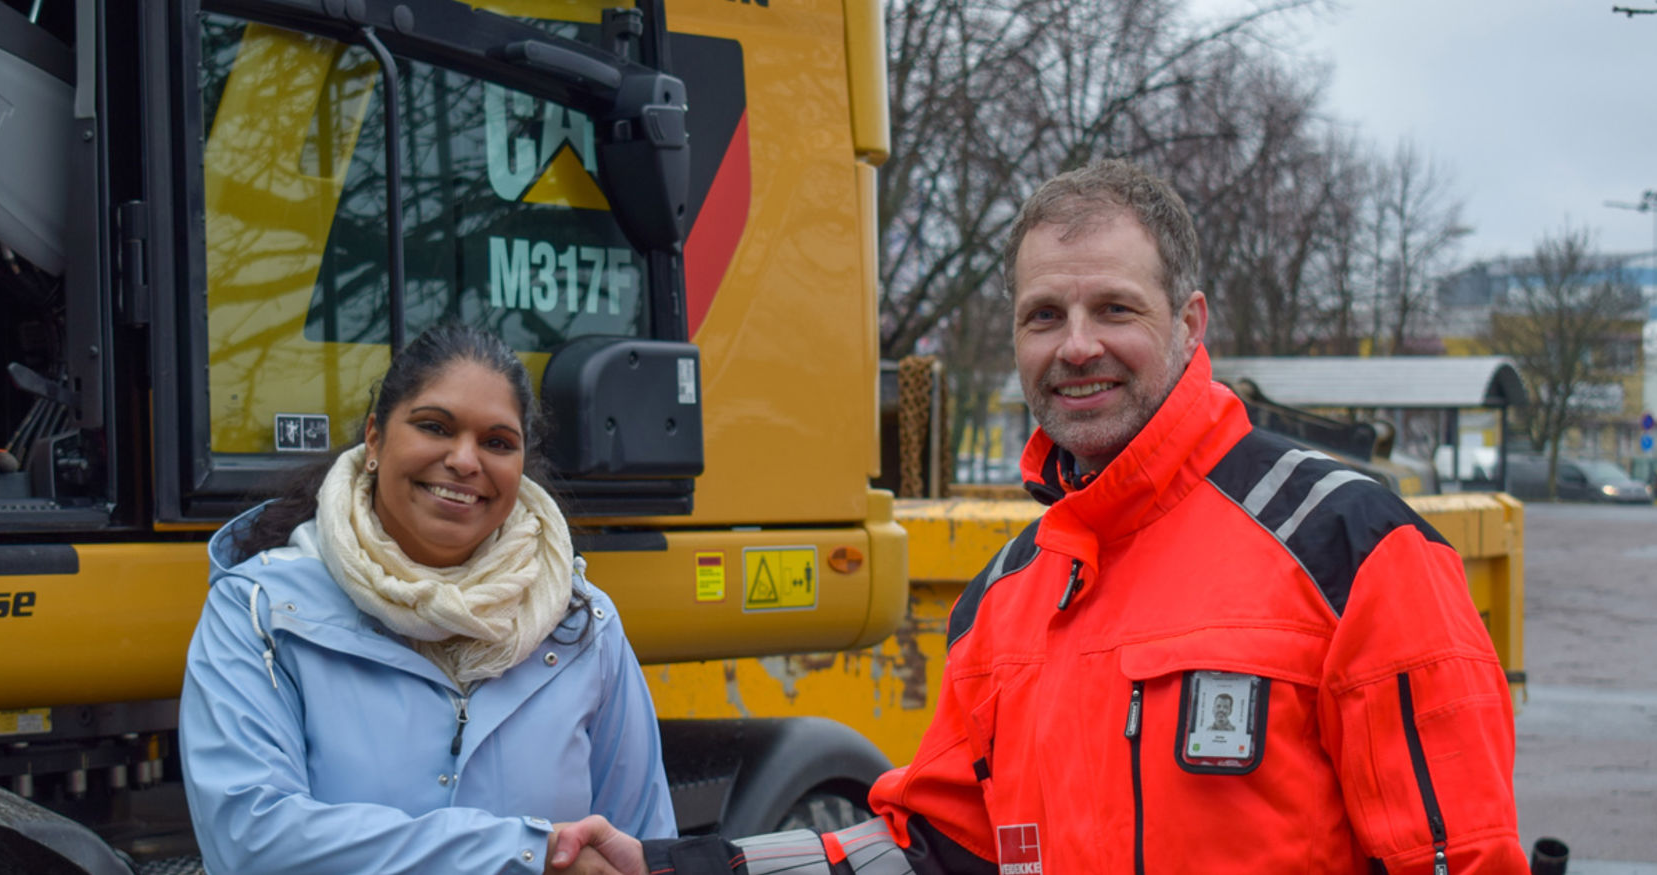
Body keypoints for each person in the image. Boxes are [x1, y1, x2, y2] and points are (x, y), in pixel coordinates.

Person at [552, 159, 1524, 873]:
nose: (1076, 346)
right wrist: (676, 867)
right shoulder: (1007, 598)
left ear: (1189, 324)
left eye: (1113, 308)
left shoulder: (1347, 543)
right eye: (1042, 316)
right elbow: (927, 851)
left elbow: (1459, 856)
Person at [179, 323, 676, 874]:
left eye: (497, 443)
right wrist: (526, 858)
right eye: (435, 427)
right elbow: (253, 844)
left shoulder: (584, 628)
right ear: (374, 438)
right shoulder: (259, 614)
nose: (465, 461)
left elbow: (641, 849)